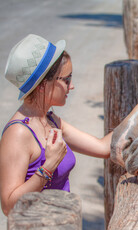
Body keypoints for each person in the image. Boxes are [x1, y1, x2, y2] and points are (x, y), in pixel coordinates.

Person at [0, 34, 112, 216]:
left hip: (62, 227)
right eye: (67, 79)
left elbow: (103, 148)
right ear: (43, 85)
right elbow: (8, 206)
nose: (72, 86)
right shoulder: (18, 133)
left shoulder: (51, 120)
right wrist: (48, 166)